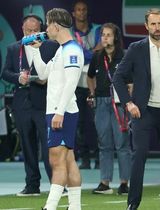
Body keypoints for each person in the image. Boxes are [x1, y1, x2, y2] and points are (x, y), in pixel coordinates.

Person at [112, 8, 160, 210]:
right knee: (139, 156)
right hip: (143, 111)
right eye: (152, 24)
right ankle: (133, 203)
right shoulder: (136, 48)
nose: (156, 27)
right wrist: (128, 102)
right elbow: (118, 77)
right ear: (146, 26)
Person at [31, 8, 83, 210]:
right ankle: (75, 206)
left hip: (62, 111)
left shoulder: (72, 50)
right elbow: (43, 74)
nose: (45, 28)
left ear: (56, 25)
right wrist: (36, 49)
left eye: (47, 23)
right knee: (68, 159)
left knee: (56, 159)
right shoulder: (61, 49)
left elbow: (71, 83)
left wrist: (60, 112)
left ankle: (50, 206)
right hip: (57, 110)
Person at [1, 14, 58, 196]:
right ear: (23, 30)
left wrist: (46, 78)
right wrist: (18, 78)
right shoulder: (13, 48)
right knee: (27, 145)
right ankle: (32, 185)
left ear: (41, 30)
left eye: (35, 31)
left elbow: (58, 70)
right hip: (22, 105)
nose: (32, 34)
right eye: (28, 31)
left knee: (49, 146)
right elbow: (5, 73)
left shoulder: (51, 46)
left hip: (44, 103)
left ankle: (57, 185)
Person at [87, 23, 132, 195]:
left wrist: (129, 95)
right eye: (103, 35)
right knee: (104, 143)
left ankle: (124, 183)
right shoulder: (97, 56)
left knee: (122, 143)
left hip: (119, 104)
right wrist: (92, 93)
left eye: (108, 35)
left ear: (115, 38)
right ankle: (104, 183)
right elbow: (90, 77)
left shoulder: (125, 56)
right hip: (101, 102)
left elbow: (132, 79)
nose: (105, 38)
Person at [71, 0, 101, 169]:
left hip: (94, 83)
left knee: (98, 123)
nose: (81, 13)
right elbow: (91, 52)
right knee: (79, 123)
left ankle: (98, 157)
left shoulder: (97, 29)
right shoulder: (68, 31)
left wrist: (82, 54)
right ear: (73, 14)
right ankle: (84, 159)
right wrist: (90, 53)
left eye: (84, 10)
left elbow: (100, 50)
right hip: (75, 84)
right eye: (78, 10)